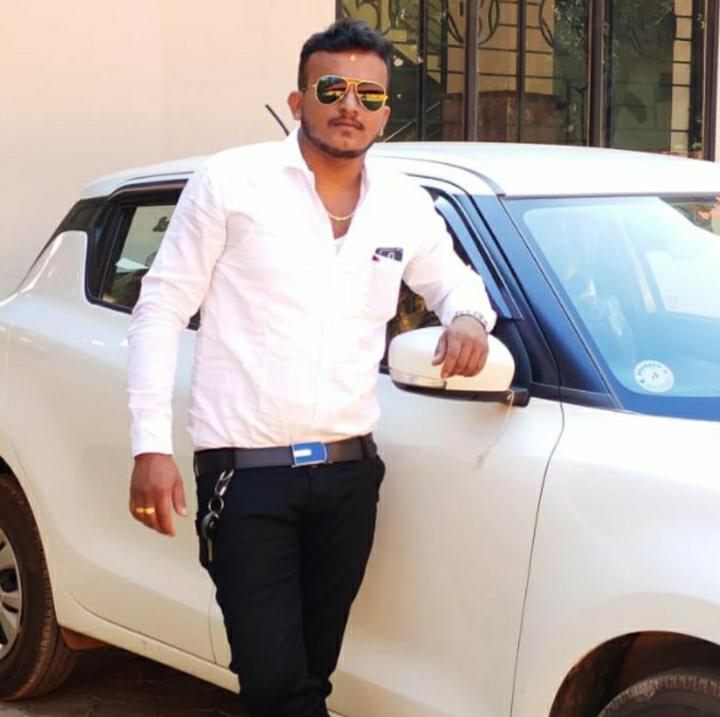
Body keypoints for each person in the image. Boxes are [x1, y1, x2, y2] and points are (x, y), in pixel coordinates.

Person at [126, 18, 497, 717]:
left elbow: (454, 281)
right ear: (299, 100)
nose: (349, 105)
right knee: (276, 682)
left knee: (310, 676)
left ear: (385, 110)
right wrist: (149, 446)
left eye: (368, 94)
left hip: (350, 477)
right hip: (247, 478)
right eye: (332, 89)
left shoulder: (404, 203)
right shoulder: (233, 182)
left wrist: (470, 318)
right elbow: (160, 308)